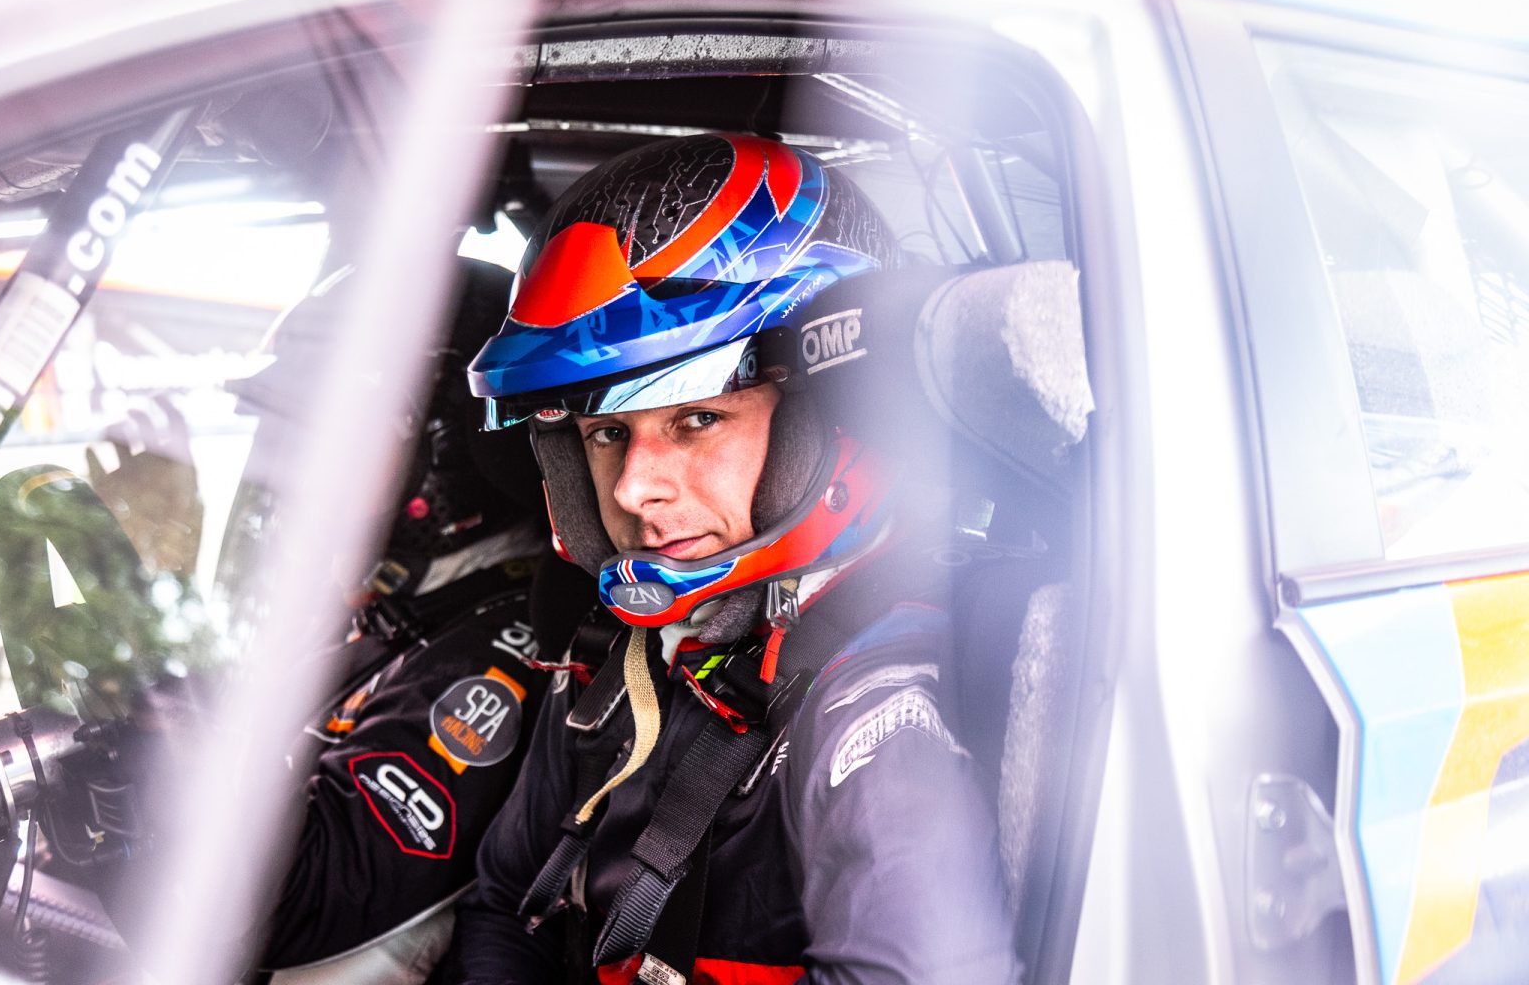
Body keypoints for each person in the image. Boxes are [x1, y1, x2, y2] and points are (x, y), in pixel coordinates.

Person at [443, 133, 1022, 985]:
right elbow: (504, 906)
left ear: (828, 423)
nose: (635, 487)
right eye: (605, 435)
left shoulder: (881, 700)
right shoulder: (620, 649)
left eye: (697, 420)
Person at [239, 259, 558, 982]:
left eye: (341, 430)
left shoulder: (503, 655)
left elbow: (300, 901)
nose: (304, 465)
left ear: (450, 444)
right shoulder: (400, 605)